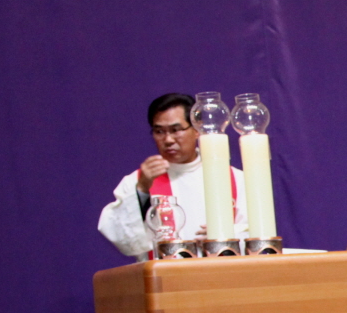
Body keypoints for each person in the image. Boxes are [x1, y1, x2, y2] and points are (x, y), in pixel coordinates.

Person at [98, 93, 247, 258]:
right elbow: (124, 239)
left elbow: (255, 231)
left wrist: (225, 236)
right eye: (159, 131)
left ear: (197, 129)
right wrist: (141, 191)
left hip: (222, 271)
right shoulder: (140, 181)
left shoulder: (234, 179)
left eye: (176, 130)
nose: (168, 140)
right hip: (164, 273)